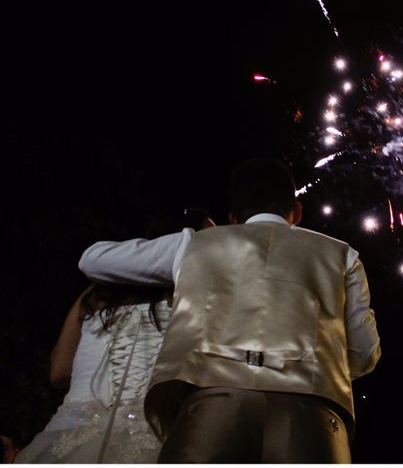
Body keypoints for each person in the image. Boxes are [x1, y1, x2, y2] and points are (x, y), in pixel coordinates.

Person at [78, 158, 381, 463]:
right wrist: (312, 367)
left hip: (211, 405)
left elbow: (93, 260)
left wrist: (190, 243)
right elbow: (364, 353)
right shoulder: (343, 254)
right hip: (313, 415)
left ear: (233, 217)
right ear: (297, 211)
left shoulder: (196, 244)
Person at [15, 210, 214, 464]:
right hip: (151, 436)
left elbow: (59, 371)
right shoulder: (193, 298)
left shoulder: (95, 296)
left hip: (70, 434)